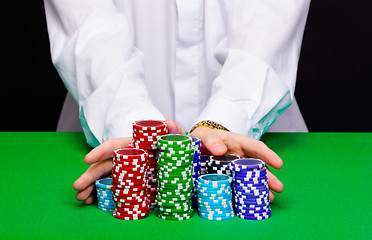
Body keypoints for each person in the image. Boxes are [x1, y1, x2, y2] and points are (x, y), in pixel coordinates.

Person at [43, 0, 311, 204]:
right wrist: (131, 123)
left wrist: (226, 117)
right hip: (104, 139)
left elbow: (269, 16)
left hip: (262, 132)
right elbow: (86, 17)